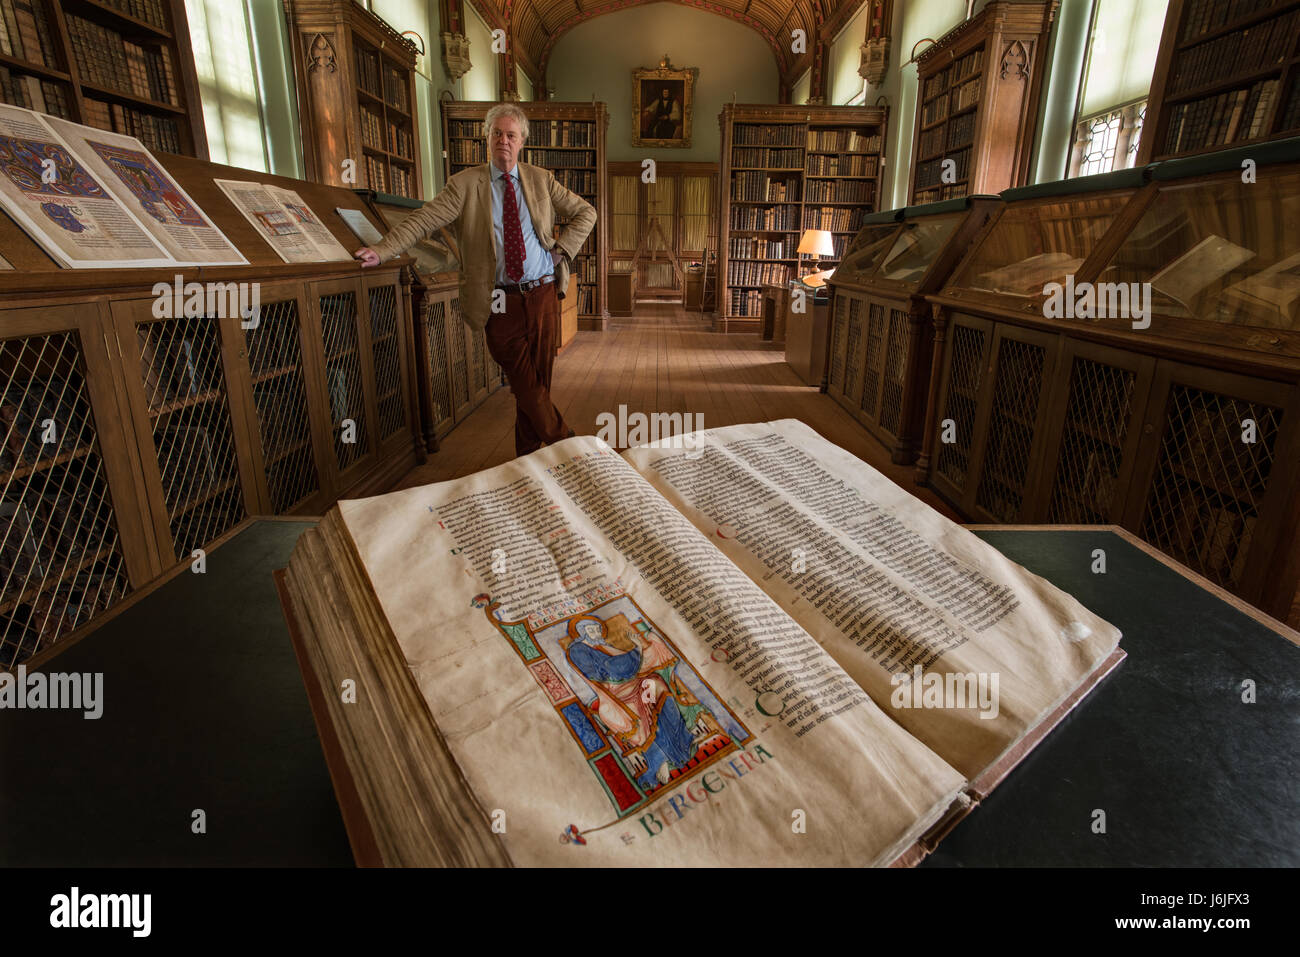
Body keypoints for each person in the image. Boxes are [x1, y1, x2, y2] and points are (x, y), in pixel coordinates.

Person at [355, 103, 596, 456]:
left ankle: (529, 463)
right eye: (496, 133)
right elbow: (424, 220)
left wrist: (561, 251)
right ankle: (568, 444)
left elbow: (585, 212)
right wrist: (383, 249)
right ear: (486, 138)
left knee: (537, 386)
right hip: (499, 301)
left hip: (543, 291)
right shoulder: (464, 185)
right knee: (526, 382)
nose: (503, 140)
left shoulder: (540, 179)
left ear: (522, 141)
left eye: (510, 135)